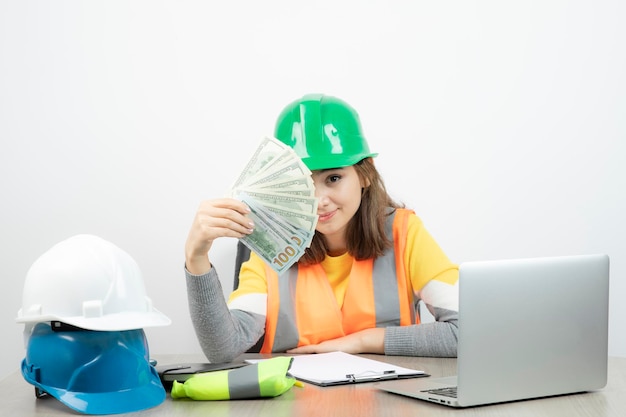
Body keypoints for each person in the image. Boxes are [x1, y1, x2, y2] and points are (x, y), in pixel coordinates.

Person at [184, 93, 459, 363]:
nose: (318, 201)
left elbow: (467, 331)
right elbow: (223, 349)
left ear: (365, 174)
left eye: (334, 178)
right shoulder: (270, 245)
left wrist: (362, 341)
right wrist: (196, 259)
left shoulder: (405, 232)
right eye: (301, 184)